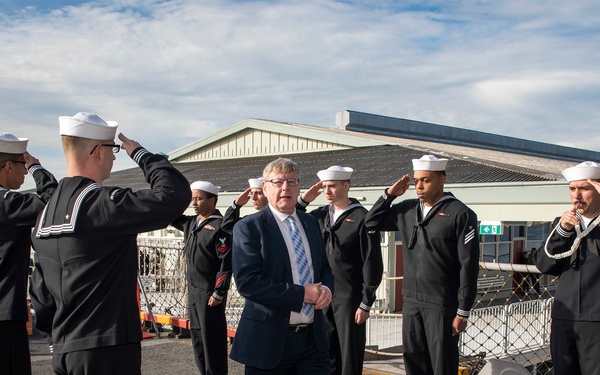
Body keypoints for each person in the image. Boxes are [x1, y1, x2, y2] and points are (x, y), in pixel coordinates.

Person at [29, 112, 191, 375]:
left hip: (65, 348)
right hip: (107, 348)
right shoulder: (101, 203)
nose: (115, 157)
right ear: (98, 151)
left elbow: (41, 292)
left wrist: (57, 338)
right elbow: (173, 196)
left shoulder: (46, 213)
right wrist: (142, 155)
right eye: (113, 149)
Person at [365, 155, 479, 375]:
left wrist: (463, 310)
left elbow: (469, 265)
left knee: (442, 365)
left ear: (442, 179)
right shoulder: (406, 210)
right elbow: (371, 221)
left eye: (426, 180)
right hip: (411, 300)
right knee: (414, 363)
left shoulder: (461, 214)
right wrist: (388, 195)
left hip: (441, 304)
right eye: (416, 181)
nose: (419, 186)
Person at [230, 157, 334, 374]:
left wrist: (326, 289)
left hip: (313, 342)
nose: (286, 187)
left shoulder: (311, 223)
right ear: (265, 189)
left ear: (299, 188)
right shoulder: (249, 227)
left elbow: (324, 267)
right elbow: (248, 283)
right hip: (268, 342)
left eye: (292, 182)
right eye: (278, 182)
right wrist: (301, 294)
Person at [296, 165, 383, 375]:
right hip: (323, 294)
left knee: (349, 358)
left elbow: (372, 262)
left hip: (350, 298)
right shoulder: (319, 215)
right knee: (325, 354)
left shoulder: (363, 218)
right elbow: (293, 217)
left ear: (346, 186)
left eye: (332, 186)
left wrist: (366, 302)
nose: (327, 191)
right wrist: (304, 200)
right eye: (324, 187)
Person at [534, 161, 600, 375]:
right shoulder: (563, 223)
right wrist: (562, 230)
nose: (577, 196)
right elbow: (545, 264)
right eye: (572, 189)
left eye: (584, 188)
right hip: (565, 317)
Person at [0, 132, 57, 375]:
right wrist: (38, 170)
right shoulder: (8, 203)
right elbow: (55, 202)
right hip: (4, 314)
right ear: (9, 166)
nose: (25, 173)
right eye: (23, 166)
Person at [171, 180, 232, 375]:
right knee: (198, 339)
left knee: (212, 341)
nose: (194, 203)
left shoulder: (220, 227)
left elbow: (226, 262)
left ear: (213, 200)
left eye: (199, 198)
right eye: (192, 199)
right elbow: (171, 216)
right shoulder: (191, 223)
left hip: (209, 293)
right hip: (193, 291)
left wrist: (219, 291)